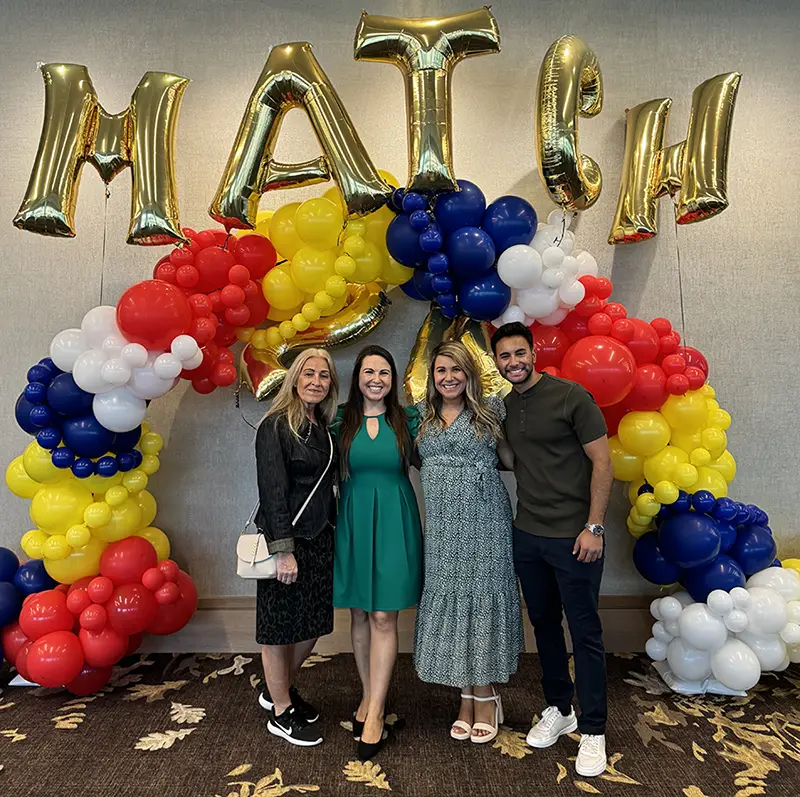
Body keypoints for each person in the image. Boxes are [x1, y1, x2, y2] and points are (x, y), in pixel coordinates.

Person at [491, 322, 613, 778]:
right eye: (504, 357)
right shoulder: (505, 405)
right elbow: (512, 458)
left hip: (575, 536)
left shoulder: (571, 397)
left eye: (519, 353)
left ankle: (595, 729)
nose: (513, 363)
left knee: (585, 631)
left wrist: (594, 527)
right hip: (528, 533)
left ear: (533, 352)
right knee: (543, 624)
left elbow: (603, 462)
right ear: (498, 363)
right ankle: (560, 708)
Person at [413, 340, 523, 744]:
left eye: (456, 370)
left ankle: (486, 696)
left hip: (485, 521)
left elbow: (515, 456)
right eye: (441, 370)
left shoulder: (491, 411)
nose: (449, 377)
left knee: (483, 600)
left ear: (470, 375)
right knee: (453, 601)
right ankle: (465, 695)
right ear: (433, 377)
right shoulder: (420, 416)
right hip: (443, 528)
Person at [333, 345, 422, 761]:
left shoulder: (409, 420)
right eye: (369, 371)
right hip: (353, 521)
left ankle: (375, 713)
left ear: (393, 379)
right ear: (358, 378)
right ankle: (371, 699)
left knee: (385, 615)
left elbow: (444, 456)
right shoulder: (340, 422)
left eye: (385, 372)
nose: (377, 379)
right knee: (360, 613)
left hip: (394, 521)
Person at [254, 348, 339, 748]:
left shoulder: (322, 427)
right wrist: (282, 549)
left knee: (311, 626)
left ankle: (277, 689)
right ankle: (281, 711)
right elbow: (272, 492)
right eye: (309, 374)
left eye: (324, 376)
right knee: (278, 628)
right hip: (287, 541)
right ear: (294, 378)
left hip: (321, 538)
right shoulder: (274, 427)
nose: (316, 381)